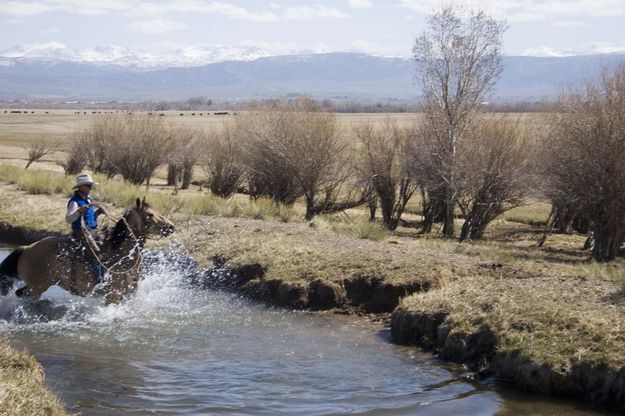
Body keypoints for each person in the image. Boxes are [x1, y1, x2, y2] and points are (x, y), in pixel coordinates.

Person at [65, 173, 103, 284]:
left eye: (90, 186)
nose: (90, 188)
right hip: (81, 232)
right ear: (81, 187)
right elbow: (68, 219)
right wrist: (78, 211)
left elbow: (90, 217)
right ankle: (97, 282)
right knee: (96, 252)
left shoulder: (89, 199)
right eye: (88, 186)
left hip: (93, 230)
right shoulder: (74, 201)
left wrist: (98, 213)